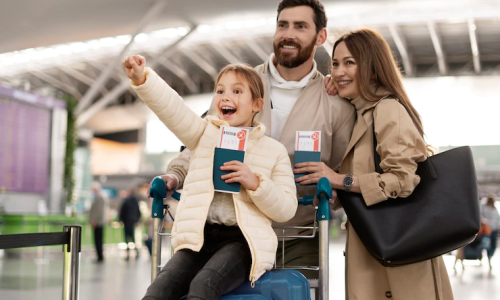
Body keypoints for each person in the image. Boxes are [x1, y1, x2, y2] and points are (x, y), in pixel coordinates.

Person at [158, 0, 356, 280]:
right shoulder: (240, 86)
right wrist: (176, 174)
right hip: (230, 233)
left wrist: (335, 192)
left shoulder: (335, 104)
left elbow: (344, 169)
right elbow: (203, 140)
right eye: (282, 25)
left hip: (296, 238)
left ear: (320, 37)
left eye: (301, 26)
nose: (289, 34)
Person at [123, 57, 298, 299]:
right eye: (220, 90)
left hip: (242, 242)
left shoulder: (273, 150)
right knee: (158, 291)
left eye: (237, 91)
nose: (226, 97)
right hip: (199, 238)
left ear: (257, 104)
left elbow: (287, 208)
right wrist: (143, 79)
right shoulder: (204, 134)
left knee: (203, 286)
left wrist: (255, 182)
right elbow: (175, 110)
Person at [303, 28, 453, 299]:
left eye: (350, 62)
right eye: (335, 64)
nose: (338, 72)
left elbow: (402, 180)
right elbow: (363, 179)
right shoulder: (361, 114)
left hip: (400, 255)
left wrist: (339, 179)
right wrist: (336, 194)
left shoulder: (387, 109)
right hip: (375, 245)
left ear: (373, 68)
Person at [119, 187, 142, 261]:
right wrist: (137, 219)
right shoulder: (135, 200)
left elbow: (122, 211)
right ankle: (136, 252)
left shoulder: (126, 200)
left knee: (127, 238)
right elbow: (138, 211)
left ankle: (128, 254)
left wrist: (121, 219)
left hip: (127, 222)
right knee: (133, 238)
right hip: (133, 221)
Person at [89, 181, 109, 263]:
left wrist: (94, 219)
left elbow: (98, 210)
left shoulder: (101, 197)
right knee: (97, 240)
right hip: (98, 221)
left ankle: (100, 256)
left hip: (99, 222)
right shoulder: (99, 197)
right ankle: (99, 256)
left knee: (98, 240)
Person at [481, 193, 500, 269]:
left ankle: (490, 256)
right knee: (487, 245)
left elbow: (498, 219)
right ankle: (488, 257)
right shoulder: (484, 208)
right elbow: (481, 218)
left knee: (493, 245)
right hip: (487, 230)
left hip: (494, 229)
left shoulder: (495, 209)